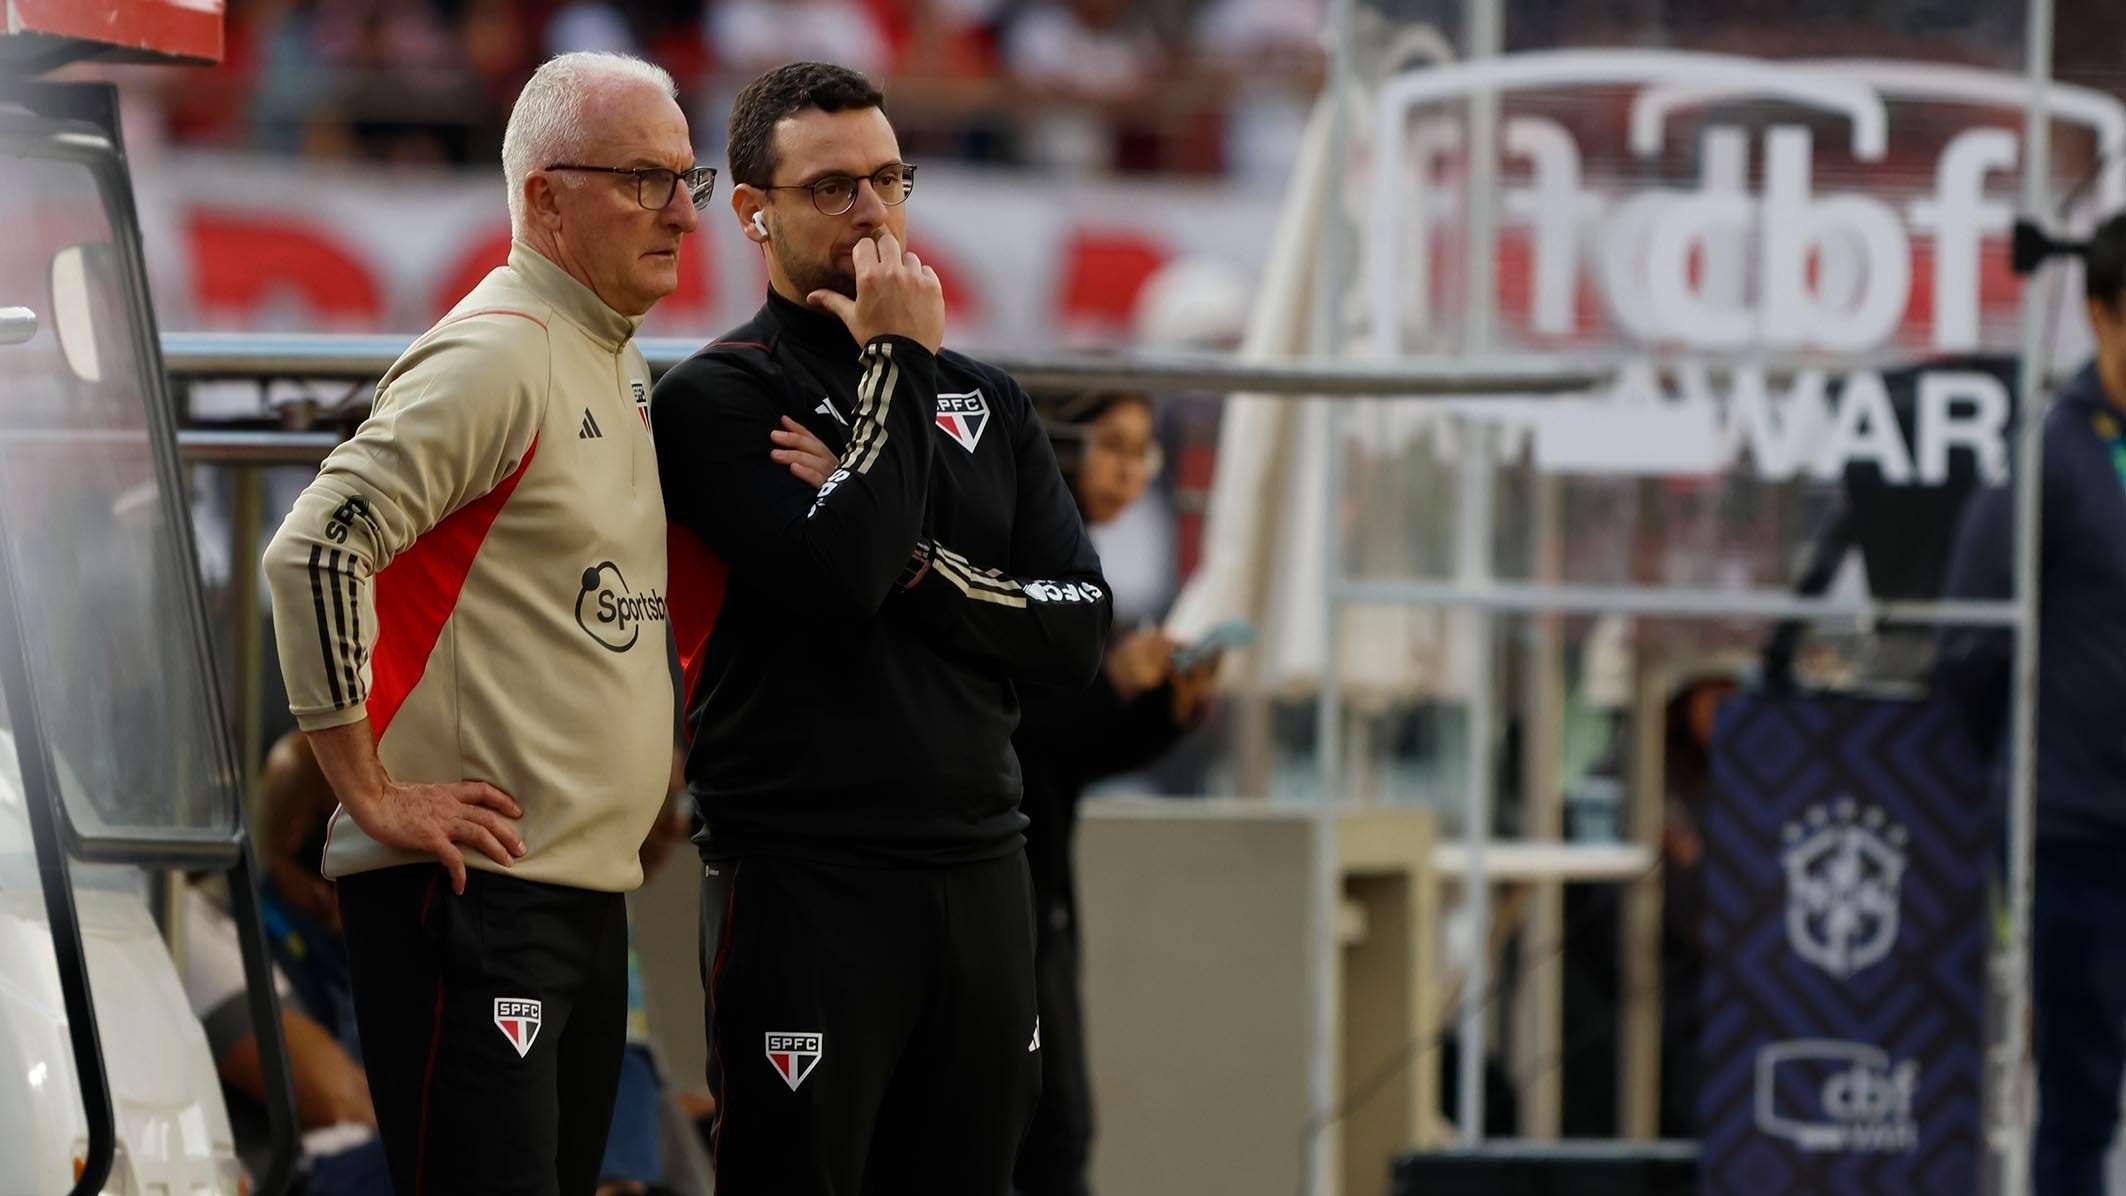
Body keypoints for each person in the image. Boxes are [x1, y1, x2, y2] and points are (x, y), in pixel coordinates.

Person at [651, 60, 1112, 1195]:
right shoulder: (718, 398)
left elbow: (1076, 626)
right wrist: (894, 359)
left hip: (978, 865)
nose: (872, 212)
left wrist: (913, 555)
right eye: (832, 188)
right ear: (752, 213)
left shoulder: (986, 400)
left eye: (888, 179)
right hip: (805, 876)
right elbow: (839, 573)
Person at [260, 50, 708, 1196]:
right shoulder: (499, 350)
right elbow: (312, 546)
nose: (681, 212)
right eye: (644, 180)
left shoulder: (607, 356)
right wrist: (365, 788)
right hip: (471, 895)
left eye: (685, 178)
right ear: (544, 196)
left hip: (570, 891)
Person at [1937, 210, 2126, 1196]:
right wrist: (2023, 776)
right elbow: (1965, 644)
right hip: (2076, 836)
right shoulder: (2051, 460)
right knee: (2079, 1102)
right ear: (2098, 314)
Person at [1010, 390, 1219, 1196]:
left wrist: (1166, 709)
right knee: (1044, 1130)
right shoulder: (1017, 559)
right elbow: (1013, 725)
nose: (1133, 473)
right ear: (1058, 443)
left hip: (1041, 884)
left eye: (1145, 454)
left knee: (1057, 1129)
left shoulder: (1069, 565)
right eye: (1115, 447)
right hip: (1001, 886)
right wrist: (1113, 685)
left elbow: (1070, 754)